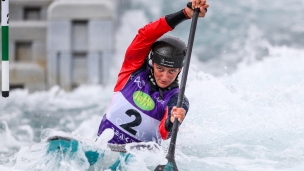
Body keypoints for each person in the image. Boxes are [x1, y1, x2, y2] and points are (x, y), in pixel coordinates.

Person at [96, 0, 208, 168]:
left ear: (180, 70)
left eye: (172, 71)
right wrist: (185, 14)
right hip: (104, 150)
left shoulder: (177, 100)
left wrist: (172, 120)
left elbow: (164, 132)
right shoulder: (131, 71)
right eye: (160, 68)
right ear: (152, 63)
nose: (165, 76)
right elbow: (145, 35)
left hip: (139, 163)